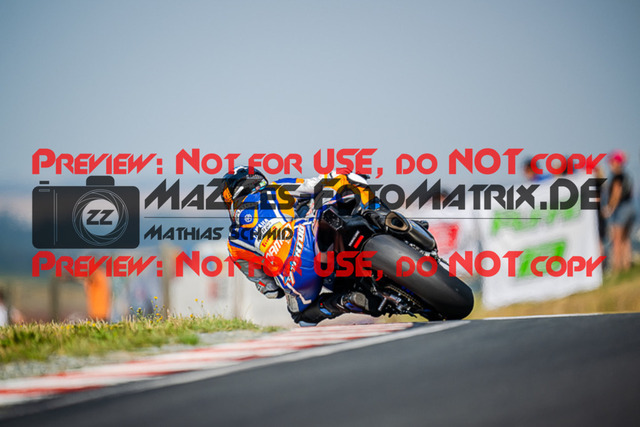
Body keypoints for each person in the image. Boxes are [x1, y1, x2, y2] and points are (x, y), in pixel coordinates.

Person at [223, 166, 378, 326]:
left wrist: (277, 285)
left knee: (301, 316)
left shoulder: (234, 240)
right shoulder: (276, 188)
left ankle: (344, 301)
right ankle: (381, 218)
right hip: (309, 233)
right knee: (341, 193)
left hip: (291, 270)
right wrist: (336, 174)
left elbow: (270, 290)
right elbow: (315, 184)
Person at [603, 150, 635, 272]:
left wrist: (609, 208)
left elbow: (616, 194)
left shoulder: (617, 177)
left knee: (616, 240)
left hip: (621, 209)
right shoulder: (627, 176)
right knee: (626, 239)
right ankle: (626, 265)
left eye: (612, 162)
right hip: (631, 207)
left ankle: (617, 267)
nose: (610, 165)